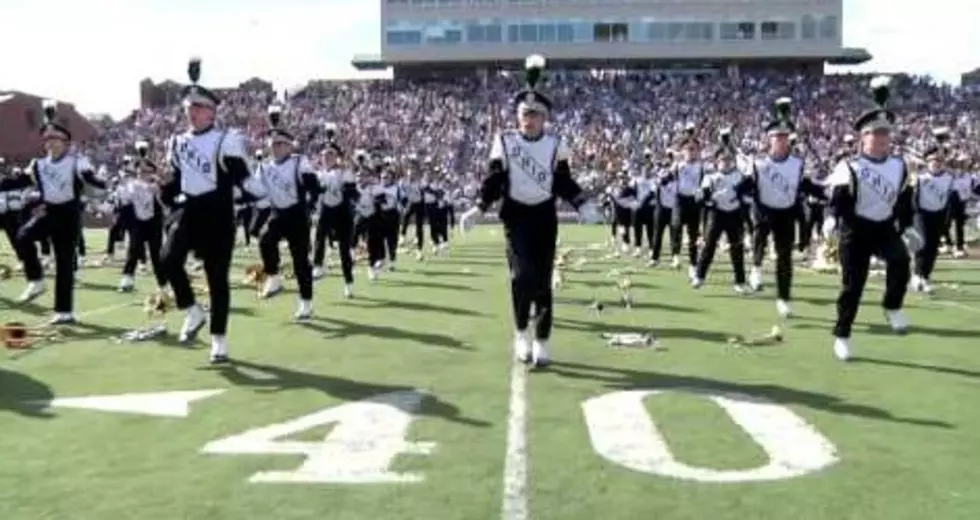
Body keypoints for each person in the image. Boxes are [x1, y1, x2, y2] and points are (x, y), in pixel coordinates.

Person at [458, 54, 601, 369]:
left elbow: (563, 181)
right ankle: (521, 330)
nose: (529, 119)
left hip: (544, 217)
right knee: (522, 277)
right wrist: (479, 207)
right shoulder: (505, 142)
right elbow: (494, 180)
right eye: (525, 113)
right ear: (517, 116)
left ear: (544, 117)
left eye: (535, 114)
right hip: (516, 216)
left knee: (543, 281)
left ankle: (542, 340)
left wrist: (582, 202)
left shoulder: (555, 144)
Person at [159, 58, 252, 364]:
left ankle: (219, 340)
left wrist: (263, 198)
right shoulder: (176, 142)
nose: (192, 112)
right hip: (190, 209)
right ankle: (191, 310)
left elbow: (243, 179)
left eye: (198, 107)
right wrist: (163, 186)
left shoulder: (226, 140)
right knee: (168, 259)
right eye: (189, 107)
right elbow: (173, 185)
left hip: (218, 212)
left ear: (212, 111)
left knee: (216, 279)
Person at [822, 76, 921, 362]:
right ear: (863, 138)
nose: (881, 139)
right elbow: (838, 200)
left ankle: (892, 305)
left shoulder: (900, 165)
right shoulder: (849, 166)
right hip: (855, 230)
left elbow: (903, 201)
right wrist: (831, 220)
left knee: (901, 261)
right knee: (853, 287)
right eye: (875, 134)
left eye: (885, 134)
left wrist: (908, 227)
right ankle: (842, 335)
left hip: (883, 226)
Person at [0, 99, 106, 322]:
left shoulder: (76, 161)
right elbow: (19, 181)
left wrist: (99, 182)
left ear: (66, 141)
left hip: (69, 215)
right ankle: (36, 280)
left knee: (64, 262)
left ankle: (64, 312)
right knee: (23, 236)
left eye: (54, 139)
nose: (49, 143)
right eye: (46, 139)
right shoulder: (39, 164)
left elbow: (92, 180)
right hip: (49, 211)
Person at [746, 98, 826, 318]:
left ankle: (783, 297)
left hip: (786, 213)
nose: (781, 141)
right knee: (759, 237)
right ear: (769, 140)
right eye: (777, 137)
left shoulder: (797, 164)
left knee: (784, 257)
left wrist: (827, 194)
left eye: (784, 137)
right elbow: (748, 184)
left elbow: (807, 186)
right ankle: (756, 269)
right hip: (763, 210)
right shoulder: (759, 163)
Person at [250, 103, 320, 319]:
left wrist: (311, 196)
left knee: (301, 262)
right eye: (274, 144)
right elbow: (257, 191)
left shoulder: (299, 162)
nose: (276, 147)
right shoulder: (264, 166)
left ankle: (306, 303)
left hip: (297, 215)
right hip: (278, 213)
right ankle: (274, 277)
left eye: (281, 144)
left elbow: (312, 185)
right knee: (265, 239)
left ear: (290, 146)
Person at [119, 140, 167, 293]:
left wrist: (159, 188)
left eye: (146, 172)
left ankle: (163, 283)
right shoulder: (132, 184)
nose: (142, 174)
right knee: (134, 249)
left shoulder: (157, 185)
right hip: (137, 222)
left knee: (155, 253)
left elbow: (164, 203)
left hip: (154, 222)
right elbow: (125, 199)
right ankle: (127, 279)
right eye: (140, 171)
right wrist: (124, 182)